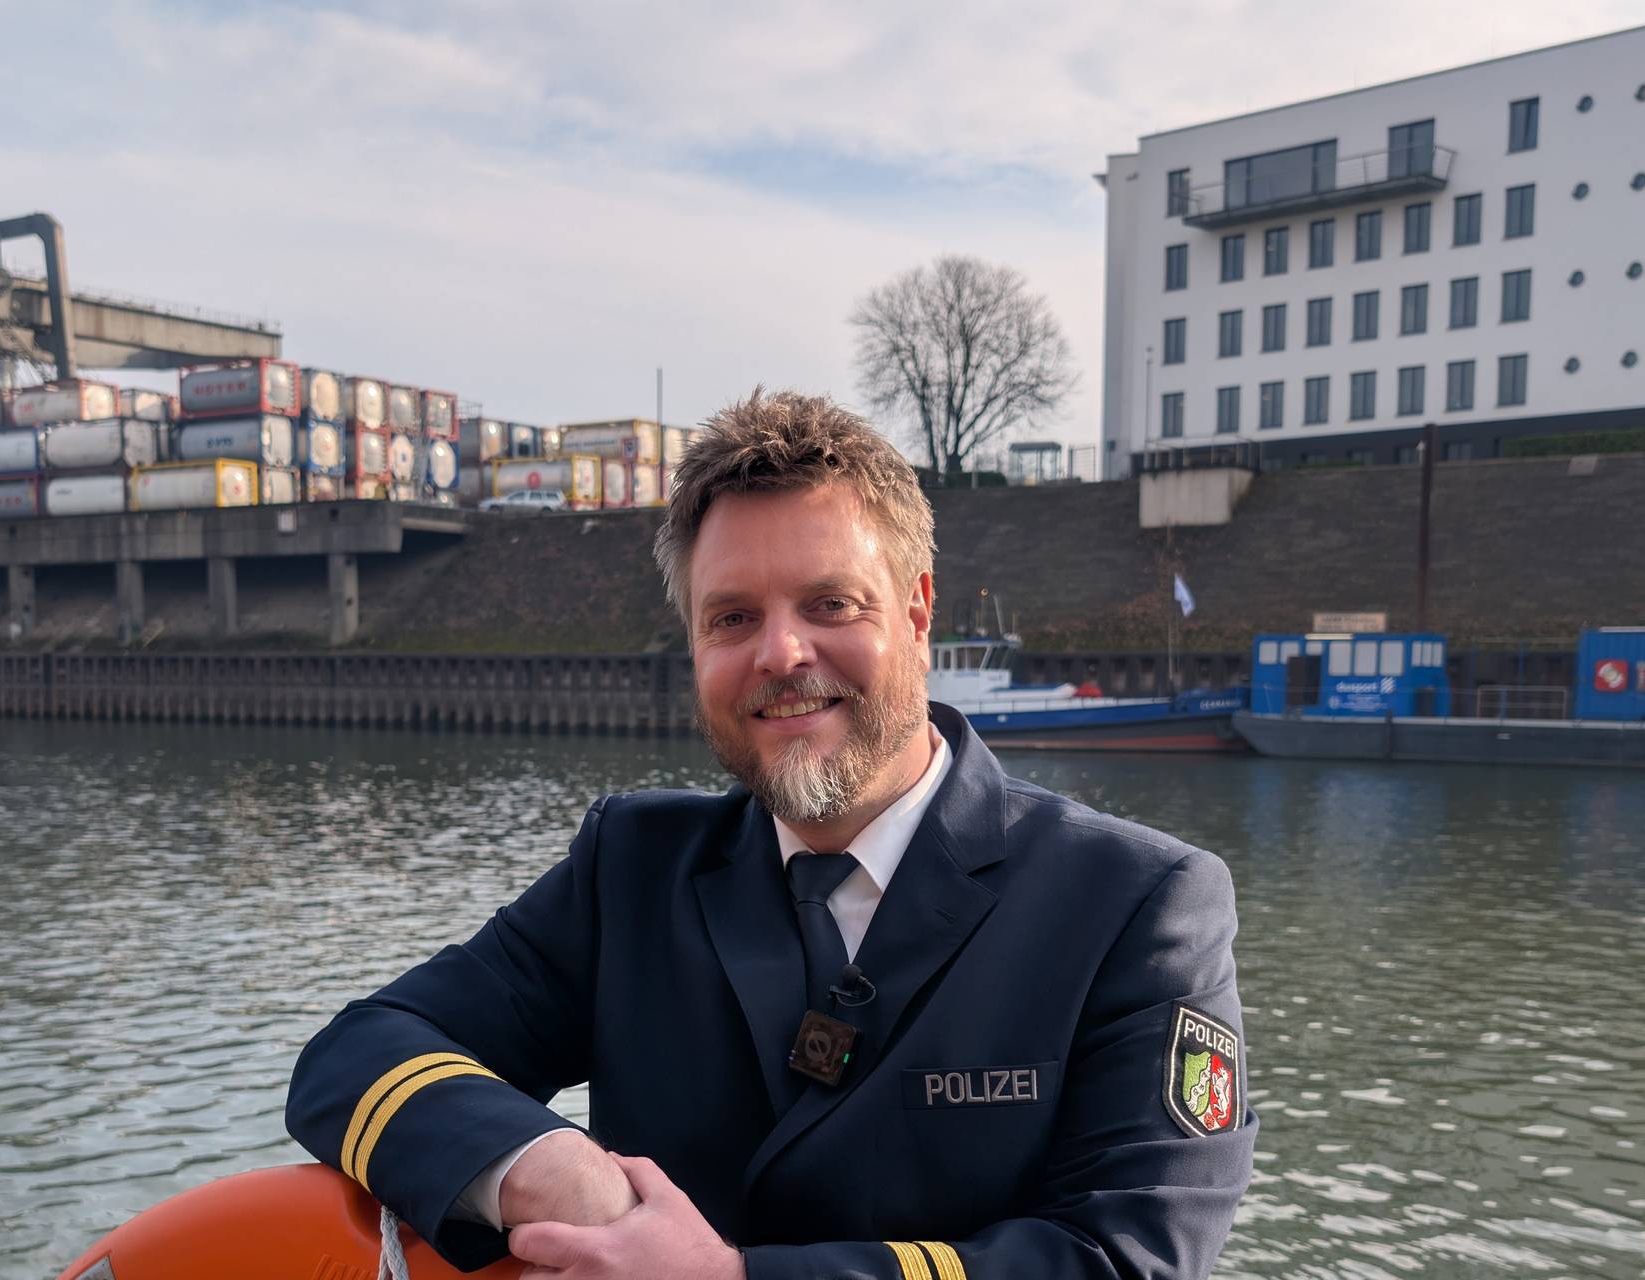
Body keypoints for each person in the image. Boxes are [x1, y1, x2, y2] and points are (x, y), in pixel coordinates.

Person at [288, 391, 1256, 1278]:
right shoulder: (631, 871)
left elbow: (1128, 1257)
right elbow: (357, 1052)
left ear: (918, 612)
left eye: (830, 604)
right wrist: (549, 1168)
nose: (781, 653)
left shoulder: (1132, 905)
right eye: (733, 617)